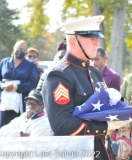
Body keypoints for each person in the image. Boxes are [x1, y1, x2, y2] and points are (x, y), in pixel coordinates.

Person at [42, 15, 110, 160]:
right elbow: (62, 125)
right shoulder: (59, 75)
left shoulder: (94, 71)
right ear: (72, 41)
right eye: (91, 38)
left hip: (99, 151)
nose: (97, 42)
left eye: (97, 38)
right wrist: (105, 127)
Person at [0, 40, 38, 129]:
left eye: (23, 49)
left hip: (21, 100)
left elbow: (32, 82)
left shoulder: (30, 65)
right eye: (19, 48)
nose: (20, 51)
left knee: (19, 127)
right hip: (5, 100)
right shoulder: (4, 62)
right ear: (14, 48)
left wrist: (16, 87)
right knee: (4, 126)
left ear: (26, 52)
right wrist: (2, 85)